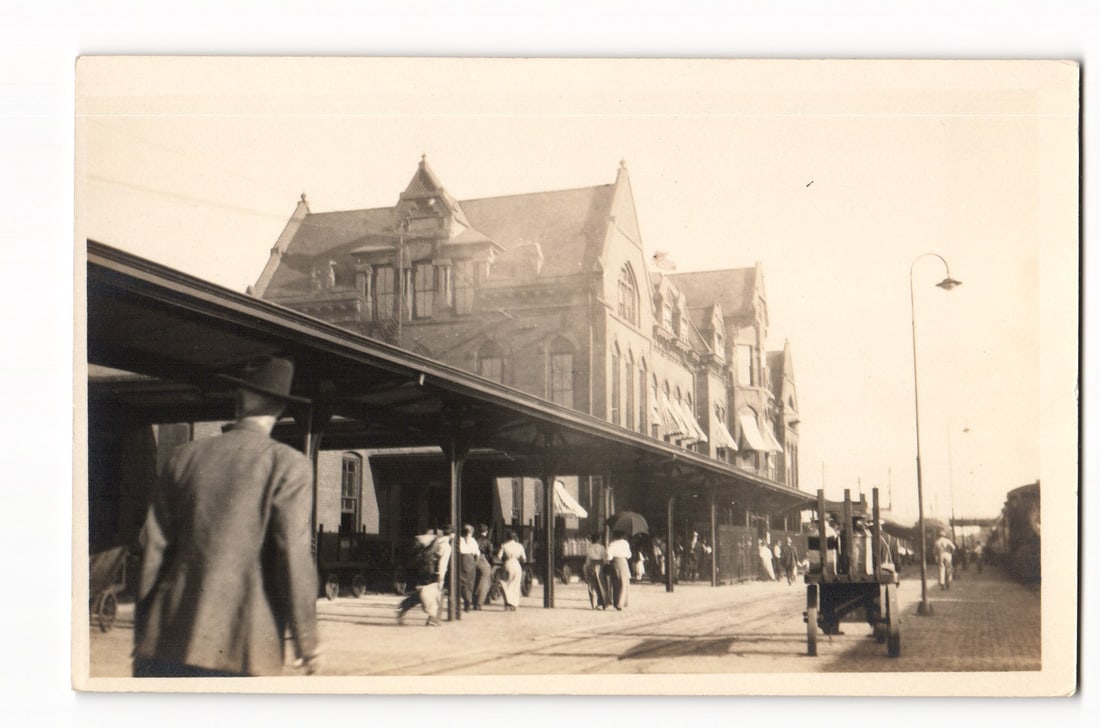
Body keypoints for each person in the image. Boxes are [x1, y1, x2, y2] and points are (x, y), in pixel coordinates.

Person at [133, 356, 321, 677]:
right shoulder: (288, 465)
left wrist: (143, 632)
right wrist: (307, 641)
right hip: (240, 648)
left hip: (165, 641)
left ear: (240, 400)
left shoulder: (183, 457)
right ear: (279, 409)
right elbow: (293, 554)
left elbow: (152, 548)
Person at [396, 530, 444, 626]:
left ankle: (403, 608)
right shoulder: (436, 544)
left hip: (425, 570)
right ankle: (433, 619)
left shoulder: (423, 545)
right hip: (430, 572)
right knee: (436, 594)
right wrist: (439, 575)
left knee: (421, 594)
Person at [496, 530, 527, 610]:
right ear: (514, 537)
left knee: (504, 583)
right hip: (517, 565)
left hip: (507, 564)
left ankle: (507, 603)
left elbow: (499, 556)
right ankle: (514, 604)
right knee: (516, 585)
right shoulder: (520, 546)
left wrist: (503, 560)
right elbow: (524, 558)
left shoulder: (504, 545)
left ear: (507, 537)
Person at [457, 524, 480, 612]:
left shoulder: (459, 539)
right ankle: (468, 601)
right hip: (470, 560)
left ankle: (464, 600)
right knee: (470, 582)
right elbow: (477, 553)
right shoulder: (473, 540)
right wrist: (475, 562)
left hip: (461, 559)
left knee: (461, 581)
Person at [607, 531, 632, 610]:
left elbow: (608, 555)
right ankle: (620, 603)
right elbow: (629, 555)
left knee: (615, 583)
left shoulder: (612, 544)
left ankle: (615, 601)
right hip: (623, 562)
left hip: (614, 562)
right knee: (624, 583)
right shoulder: (625, 543)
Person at [583, 532, 608, 609]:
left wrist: (586, 568)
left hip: (591, 565)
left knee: (592, 585)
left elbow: (587, 560)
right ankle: (603, 603)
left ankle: (593, 604)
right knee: (601, 584)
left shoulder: (589, 548)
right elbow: (604, 558)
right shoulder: (601, 548)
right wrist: (605, 564)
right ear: (598, 539)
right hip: (599, 565)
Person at [473, 524, 494, 609]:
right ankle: (479, 603)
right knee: (485, 582)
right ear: (486, 531)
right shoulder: (487, 541)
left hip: (474, 560)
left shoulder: (475, 540)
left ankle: (473, 600)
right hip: (483, 559)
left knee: (475, 581)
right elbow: (490, 553)